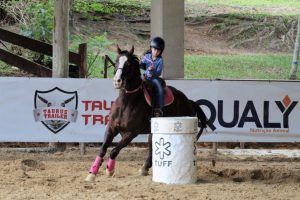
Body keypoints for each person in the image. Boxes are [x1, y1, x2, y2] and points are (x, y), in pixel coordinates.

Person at [140, 36, 165, 117]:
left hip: (153, 78)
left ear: (161, 51)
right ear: (151, 48)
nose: (156, 52)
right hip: (144, 76)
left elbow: (159, 72)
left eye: (158, 50)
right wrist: (141, 64)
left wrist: (153, 71)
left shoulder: (160, 60)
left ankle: (159, 108)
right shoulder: (147, 56)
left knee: (160, 88)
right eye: (154, 49)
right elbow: (142, 66)